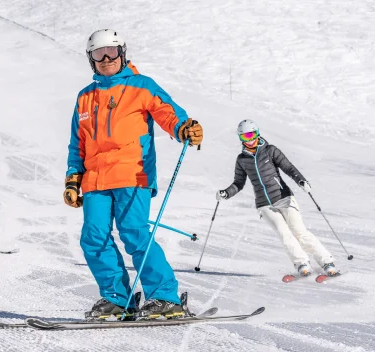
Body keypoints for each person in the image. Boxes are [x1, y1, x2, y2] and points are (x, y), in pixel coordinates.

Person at [64, 29, 203, 320]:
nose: (105, 59)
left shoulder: (142, 86)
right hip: (94, 180)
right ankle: (117, 299)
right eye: (97, 54)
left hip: (132, 173)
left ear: (122, 53)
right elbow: (77, 142)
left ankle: (165, 297)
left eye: (111, 53)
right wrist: (73, 177)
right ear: (90, 59)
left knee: (135, 234)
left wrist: (183, 128)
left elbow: (168, 113)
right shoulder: (85, 97)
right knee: (93, 238)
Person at [216, 119, 337, 277]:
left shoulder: (270, 150)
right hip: (264, 204)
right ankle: (302, 263)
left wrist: (301, 180)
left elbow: (288, 167)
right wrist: (226, 193)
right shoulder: (242, 160)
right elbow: (238, 183)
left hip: (284, 197)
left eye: (252, 135)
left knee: (299, 231)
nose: (250, 139)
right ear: (240, 138)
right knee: (284, 234)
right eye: (245, 137)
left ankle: (327, 261)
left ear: (257, 134)